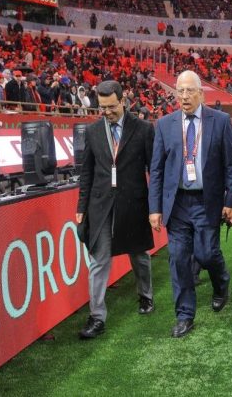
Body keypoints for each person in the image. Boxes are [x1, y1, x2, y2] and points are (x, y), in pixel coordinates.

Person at [148, 70, 232, 339]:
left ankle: (221, 283)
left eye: (190, 91)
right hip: (177, 203)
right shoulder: (164, 125)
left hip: (207, 201)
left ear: (201, 93)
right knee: (178, 258)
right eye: (180, 91)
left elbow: (231, 165)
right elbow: (157, 169)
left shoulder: (220, 121)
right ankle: (185, 315)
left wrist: (231, 201)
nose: (185, 96)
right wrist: (155, 208)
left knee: (207, 254)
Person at [76, 81, 156, 339]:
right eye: (102, 107)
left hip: (133, 204)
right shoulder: (93, 131)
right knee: (99, 260)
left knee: (139, 255)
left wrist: (155, 206)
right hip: (100, 206)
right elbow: (86, 173)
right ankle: (96, 317)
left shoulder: (143, 129)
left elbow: (154, 170)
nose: (107, 112)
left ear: (123, 101)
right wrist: (81, 207)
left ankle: (145, 295)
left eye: (111, 106)